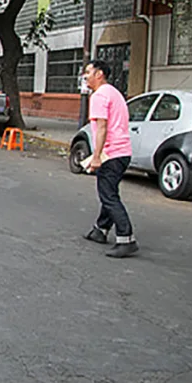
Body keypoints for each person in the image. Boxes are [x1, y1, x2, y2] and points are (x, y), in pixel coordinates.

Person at [82, 59, 138, 258]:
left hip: (111, 153)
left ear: (99, 74)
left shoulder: (99, 96)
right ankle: (100, 229)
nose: (85, 76)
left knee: (108, 195)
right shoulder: (114, 93)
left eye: (88, 72)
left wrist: (96, 156)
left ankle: (126, 238)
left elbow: (102, 127)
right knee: (110, 191)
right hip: (123, 152)